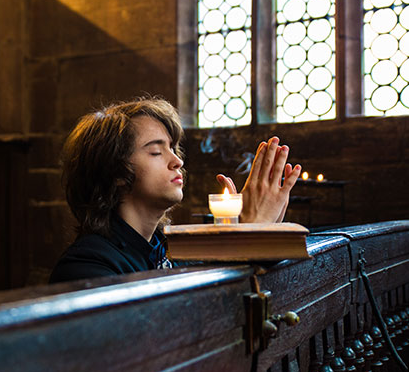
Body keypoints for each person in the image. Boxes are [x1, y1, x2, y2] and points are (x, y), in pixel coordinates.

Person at [49, 96, 302, 283]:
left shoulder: (172, 250)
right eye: (156, 151)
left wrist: (257, 237)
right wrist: (247, 242)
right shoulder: (87, 267)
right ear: (115, 172)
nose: (177, 161)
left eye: (173, 148)